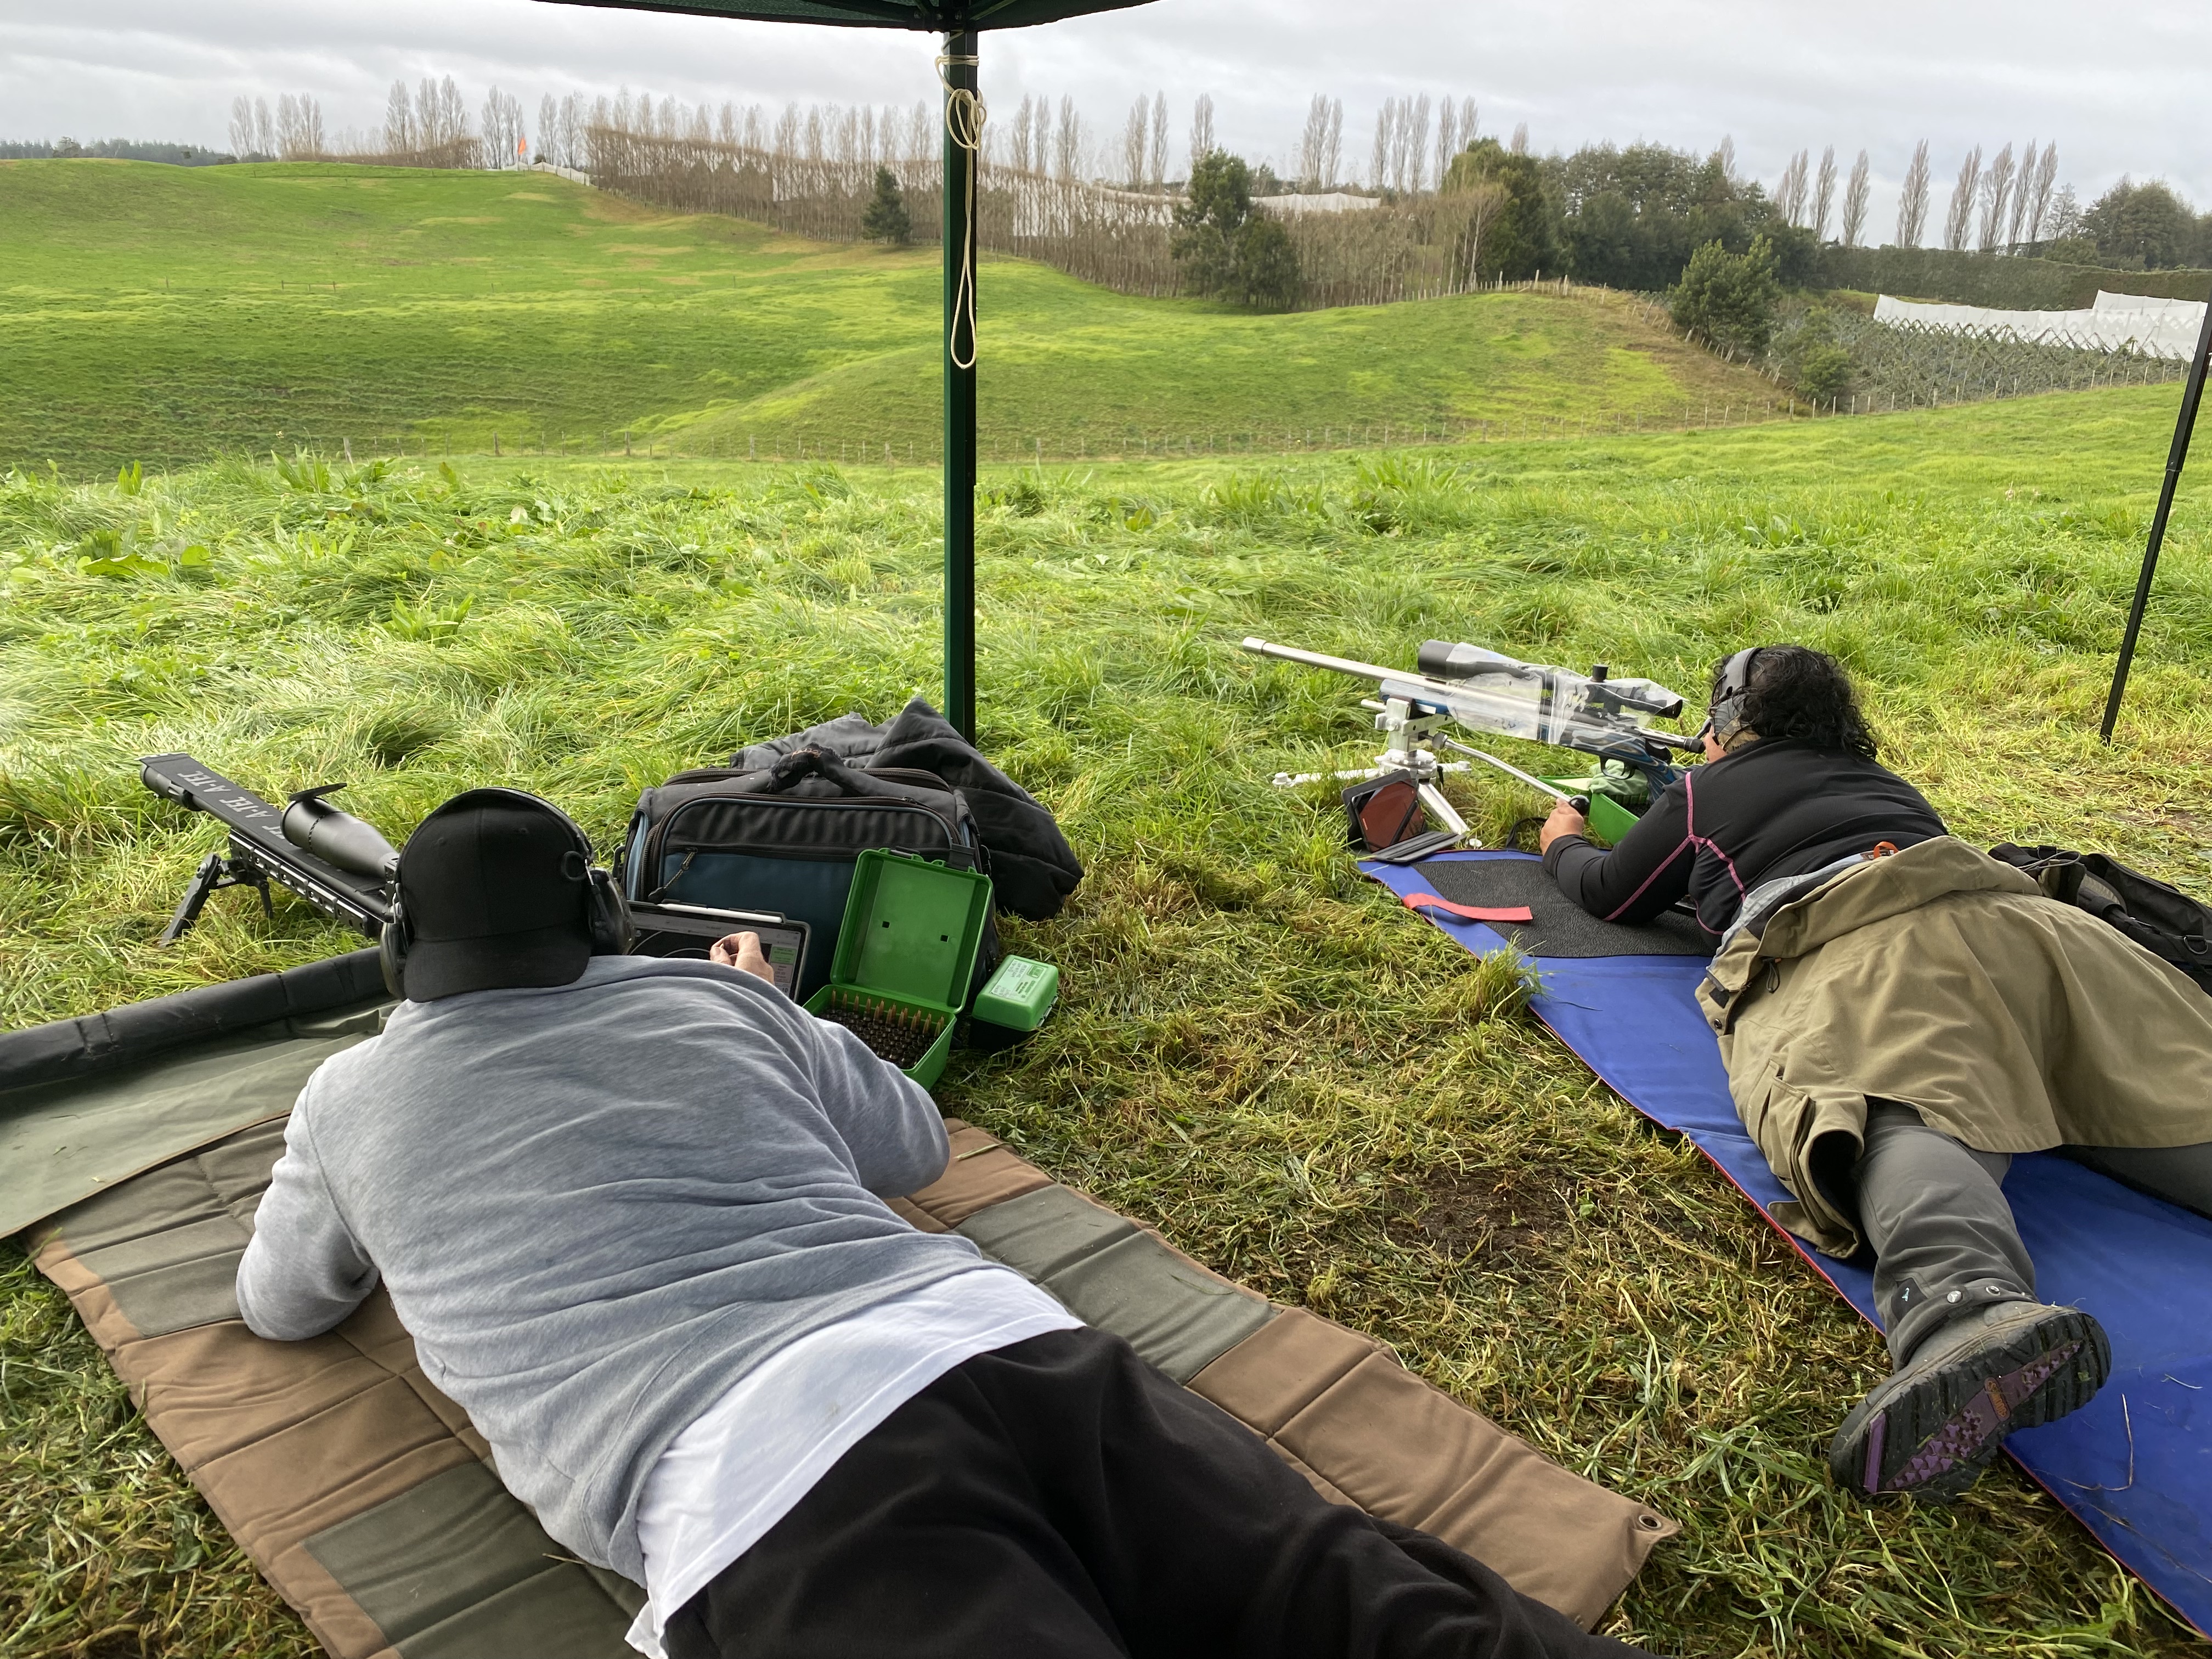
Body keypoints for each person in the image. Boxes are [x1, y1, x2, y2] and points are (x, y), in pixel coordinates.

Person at [238, 787, 1645, 1659]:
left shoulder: (346, 1098)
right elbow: (909, 1144)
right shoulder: (720, 998)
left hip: (764, 1490)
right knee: (1387, 1616)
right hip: (1017, 1358)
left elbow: (282, 1304)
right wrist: (775, 1018)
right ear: (606, 923)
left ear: (401, 958)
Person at [1538, 645, 2212, 1502]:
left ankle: (1966, 1311)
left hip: (1869, 947)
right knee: (2163, 1089)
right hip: (2033, 927)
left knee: (1885, 1107)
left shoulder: (1705, 791)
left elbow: (1609, 893)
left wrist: (1562, 839)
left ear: (1730, 723)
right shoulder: (1882, 781)